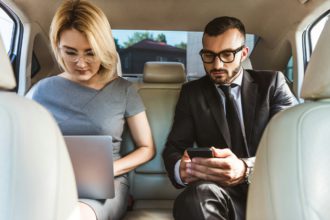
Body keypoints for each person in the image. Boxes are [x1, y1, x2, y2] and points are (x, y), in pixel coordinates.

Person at [28, 1, 155, 220]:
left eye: (90, 53)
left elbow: (147, 148)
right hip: (53, 182)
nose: (81, 63)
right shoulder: (40, 91)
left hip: (104, 187)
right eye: (71, 52)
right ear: (57, 47)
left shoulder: (124, 90)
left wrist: (106, 171)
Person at [162, 16, 298, 220]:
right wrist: (180, 170)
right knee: (194, 198)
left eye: (226, 54)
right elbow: (174, 147)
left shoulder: (272, 84)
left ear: (244, 53)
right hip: (220, 195)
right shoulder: (192, 93)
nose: (216, 64)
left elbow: (292, 145)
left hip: (272, 190)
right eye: (209, 55)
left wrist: (245, 169)